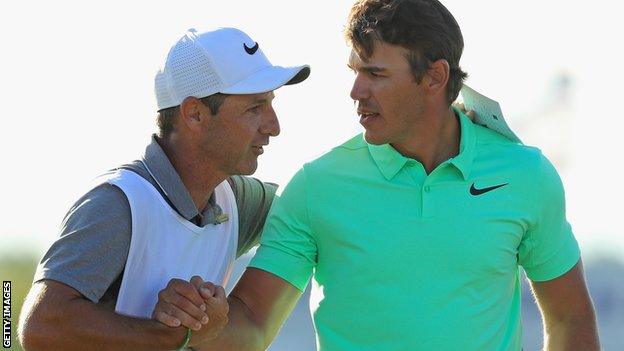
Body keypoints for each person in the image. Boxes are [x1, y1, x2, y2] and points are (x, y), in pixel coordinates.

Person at [154, 1, 601, 350]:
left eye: (375, 73)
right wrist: (207, 327)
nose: (355, 91)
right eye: (355, 72)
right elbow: (251, 324)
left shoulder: (526, 175)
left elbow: (570, 318)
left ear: (434, 77)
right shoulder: (316, 186)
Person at [17, 27, 310, 351]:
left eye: (270, 103)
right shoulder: (116, 204)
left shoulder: (236, 201)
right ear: (195, 114)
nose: (274, 127)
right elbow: (40, 326)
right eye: (254, 108)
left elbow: (314, 207)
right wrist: (179, 334)